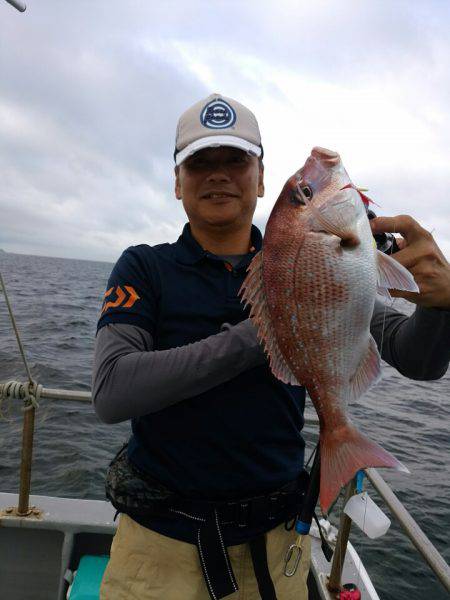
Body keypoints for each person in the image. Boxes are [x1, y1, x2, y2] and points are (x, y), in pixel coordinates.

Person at [92, 93, 450, 600]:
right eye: (200, 162)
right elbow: (111, 391)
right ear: (177, 183)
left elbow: (419, 359)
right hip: (159, 551)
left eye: (236, 160)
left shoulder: (316, 268)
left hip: (277, 549)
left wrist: (440, 306)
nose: (218, 174)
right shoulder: (144, 267)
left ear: (261, 179)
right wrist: (263, 331)